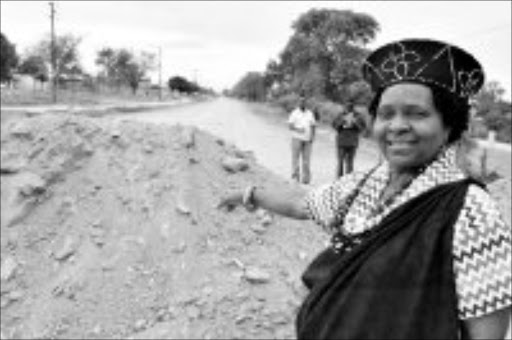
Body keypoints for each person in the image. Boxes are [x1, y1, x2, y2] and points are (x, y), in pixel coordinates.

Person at [219, 38, 511, 339]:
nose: (396, 126)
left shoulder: (471, 210)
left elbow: (486, 334)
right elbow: (302, 205)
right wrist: (251, 195)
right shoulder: (363, 184)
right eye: (386, 114)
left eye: (417, 113)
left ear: (449, 125)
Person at [331, 102, 366, 177]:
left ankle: (348, 181)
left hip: (352, 142)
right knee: (340, 162)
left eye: (350, 107)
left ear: (353, 108)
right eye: (346, 107)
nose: (348, 109)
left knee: (350, 163)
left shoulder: (358, 116)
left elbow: (363, 128)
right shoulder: (340, 115)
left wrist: (355, 123)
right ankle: (339, 180)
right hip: (342, 142)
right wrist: (342, 121)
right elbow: (334, 125)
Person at [288, 95, 317, 184]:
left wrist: (312, 137)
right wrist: (298, 129)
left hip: (307, 140)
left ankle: (306, 180)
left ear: (306, 103)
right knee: (295, 159)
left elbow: (313, 126)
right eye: (301, 101)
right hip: (296, 138)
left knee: (306, 161)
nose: (303, 103)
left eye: (304, 101)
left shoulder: (310, 113)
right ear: (298, 103)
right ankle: (295, 178)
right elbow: (290, 126)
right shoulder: (294, 113)